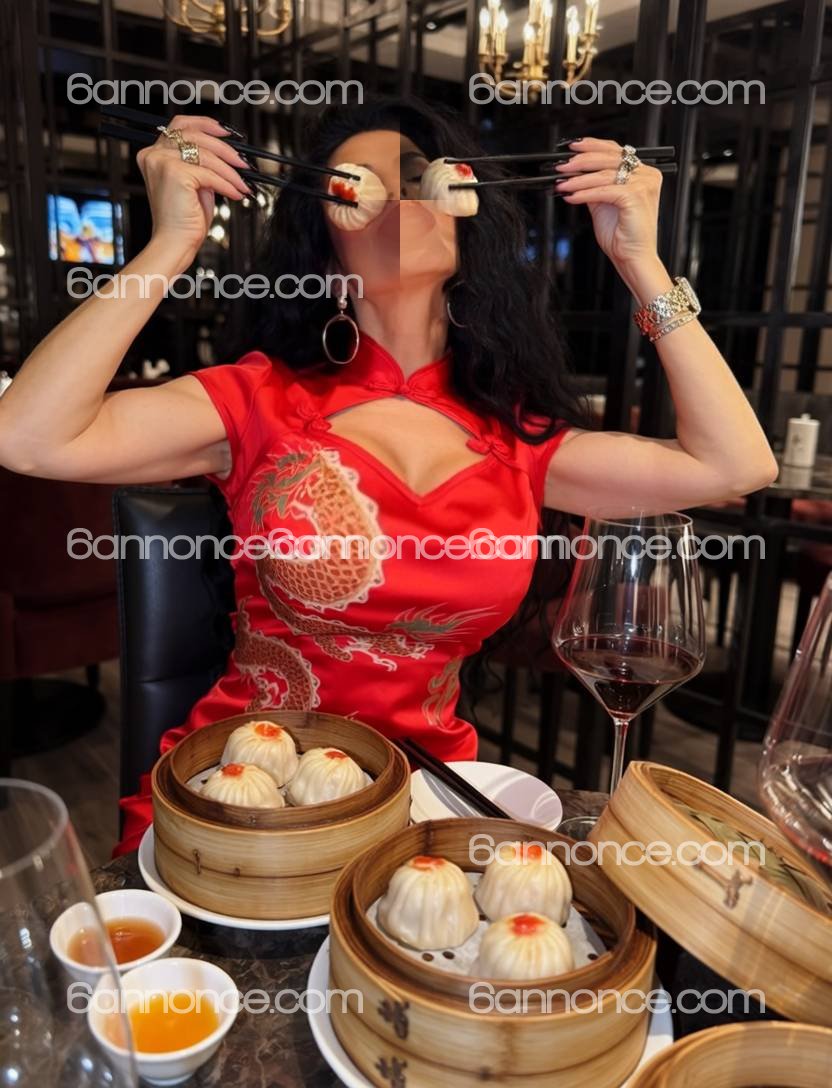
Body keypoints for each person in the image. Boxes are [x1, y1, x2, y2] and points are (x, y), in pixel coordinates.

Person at [0, 97, 777, 854]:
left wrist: (641, 263)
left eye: (417, 177)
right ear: (323, 252)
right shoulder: (258, 399)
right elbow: (28, 437)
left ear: (466, 219)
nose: (398, 204)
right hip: (247, 795)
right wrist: (170, 243)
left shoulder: (521, 442)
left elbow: (737, 464)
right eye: (355, 189)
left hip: (425, 805)